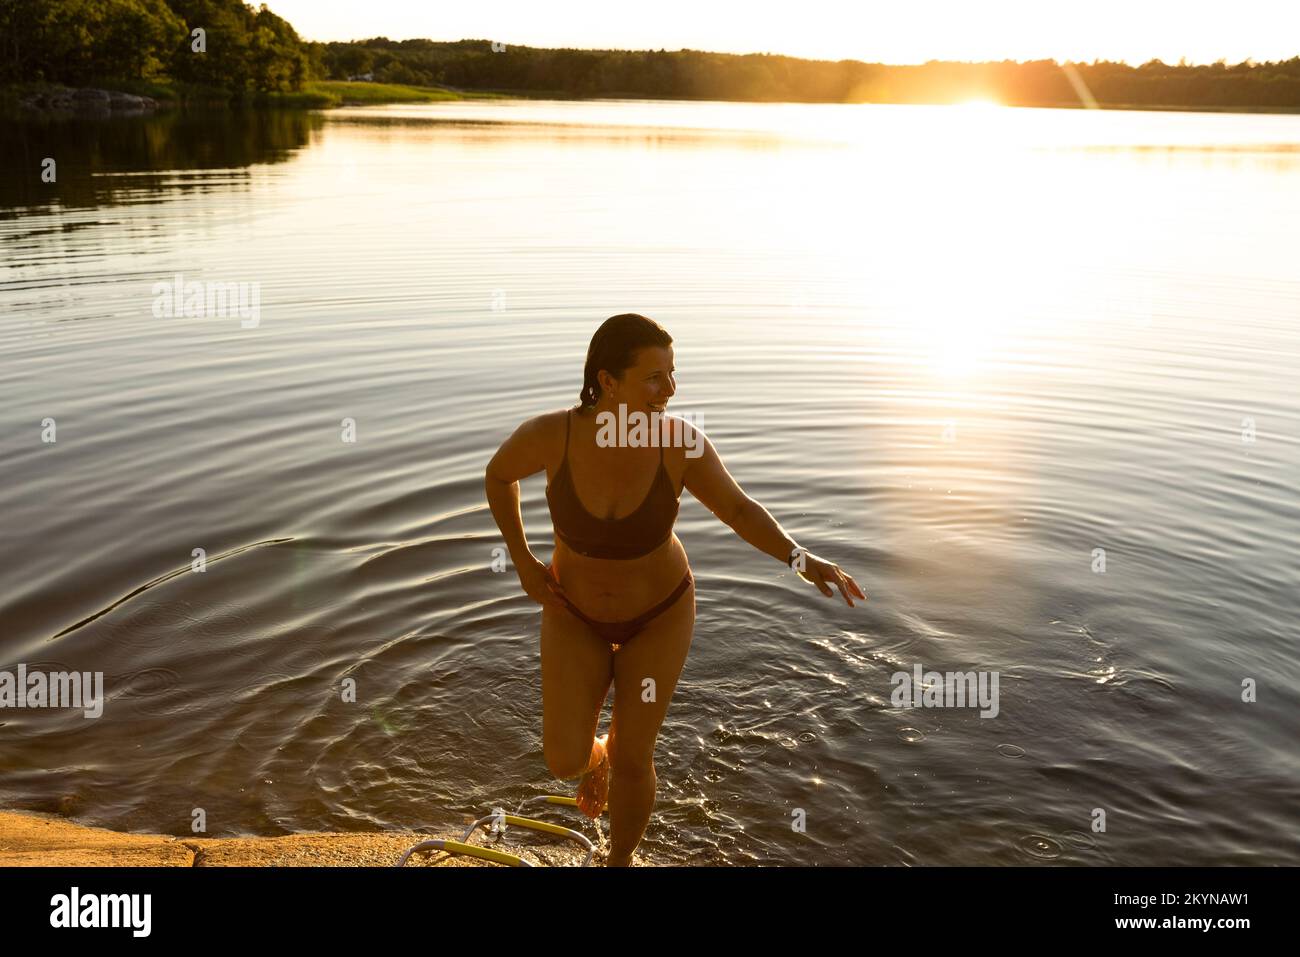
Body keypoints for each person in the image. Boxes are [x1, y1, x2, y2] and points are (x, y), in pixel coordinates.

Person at [484, 313, 866, 866]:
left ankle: (619, 862)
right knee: (564, 756)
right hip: (573, 611)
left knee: (635, 755)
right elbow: (499, 475)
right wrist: (521, 559)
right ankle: (597, 763)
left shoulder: (677, 443)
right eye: (655, 377)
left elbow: (737, 508)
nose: (671, 390)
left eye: (673, 374)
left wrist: (800, 557)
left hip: (659, 615)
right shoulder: (552, 435)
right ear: (608, 381)